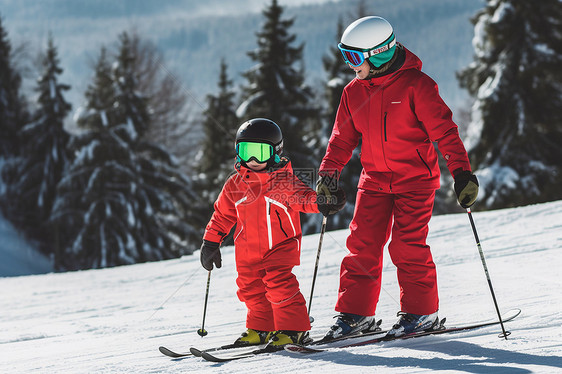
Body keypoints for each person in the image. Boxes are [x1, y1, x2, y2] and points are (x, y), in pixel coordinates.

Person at [316, 16, 479, 340]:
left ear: (376, 55)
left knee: (407, 246)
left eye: (354, 58)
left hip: (415, 181)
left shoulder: (417, 86)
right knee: (361, 245)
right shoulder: (353, 92)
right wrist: (327, 175)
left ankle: (421, 313)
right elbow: (341, 140)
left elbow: (445, 133)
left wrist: (461, 173)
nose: (350, 66)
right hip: (374, 181)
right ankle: (356, 314)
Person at [200, 118, 345, 347]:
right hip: (247, 252)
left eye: (260, 152)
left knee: (279, 284)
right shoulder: (234, 185)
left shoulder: (283, 182)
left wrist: (323, 202)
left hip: (279, 248)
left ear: (275, 152)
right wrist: (211, 242)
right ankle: (261, 327)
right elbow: (221, 216)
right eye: (246, 151)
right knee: (250, 289)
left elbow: (304, 199)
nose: (253, 160)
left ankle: (294, 328)